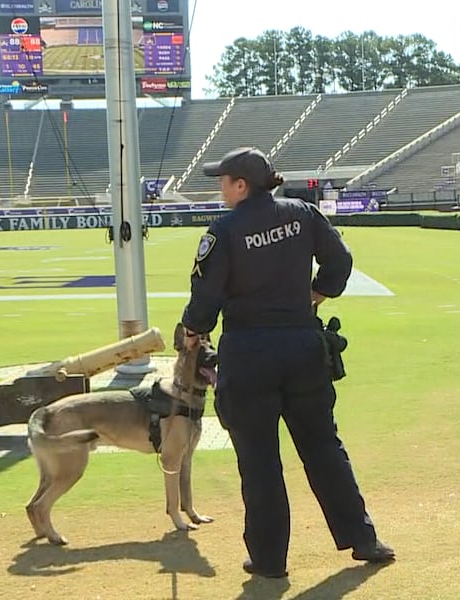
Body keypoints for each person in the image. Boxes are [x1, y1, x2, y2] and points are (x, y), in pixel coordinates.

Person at [179, 146, 394, 579]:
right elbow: (340, 260)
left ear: (241, 185)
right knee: (323, 447)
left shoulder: (223, 232)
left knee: (259, 462)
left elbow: (206, 299)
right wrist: (318, 293)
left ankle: (269, 560)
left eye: (223, 181)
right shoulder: (302, 213)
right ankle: (363, 538)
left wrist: (191, 330)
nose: (220, 188)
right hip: (302, 347)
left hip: (248, 355)